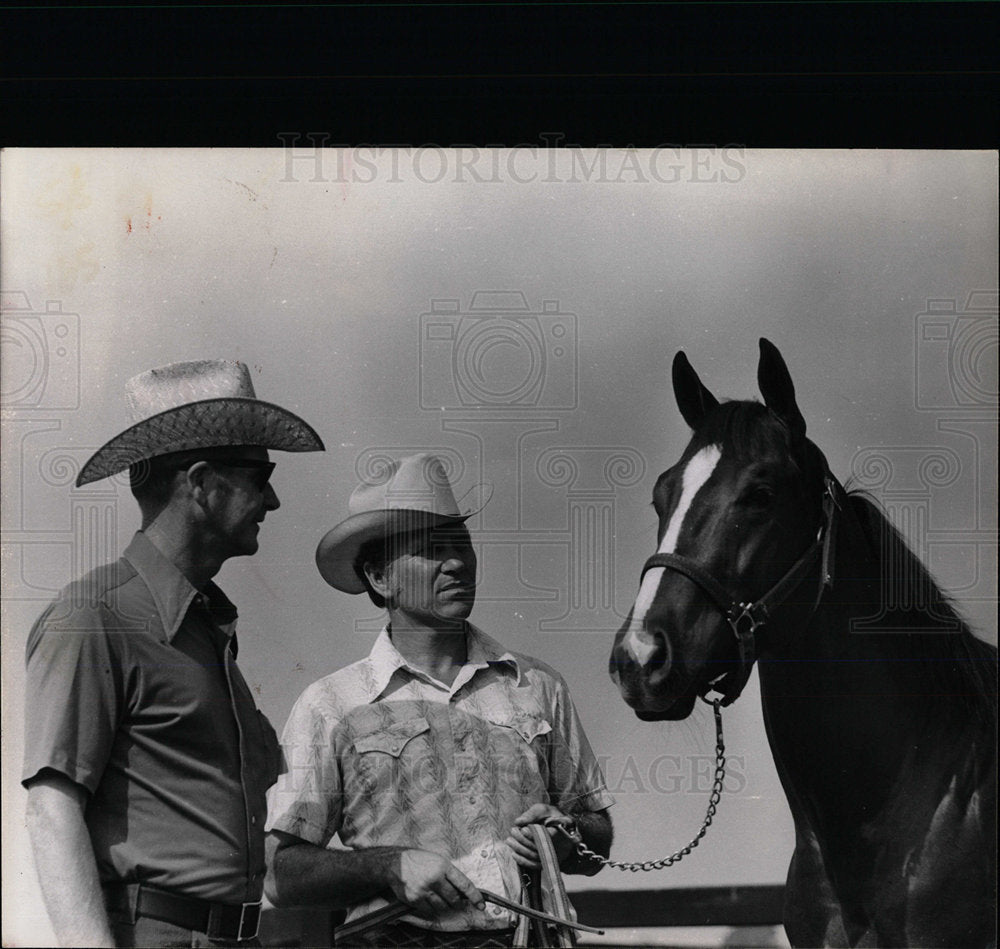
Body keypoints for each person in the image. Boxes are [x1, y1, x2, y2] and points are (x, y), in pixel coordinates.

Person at [22, 359, 324, 948]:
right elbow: (51, 810)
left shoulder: (207, 630)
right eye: (260, 476)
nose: (274, 501)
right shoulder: (95, 618)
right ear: (203, 484)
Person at [265, 453, 614, 947]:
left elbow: (598, 833)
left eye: (462, 545)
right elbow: (281, 874)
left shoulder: (537, 685)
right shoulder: (331, 705)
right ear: (380, 578)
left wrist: (564, 835)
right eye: (432, 550)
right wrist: (390, 865)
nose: (456, 564)